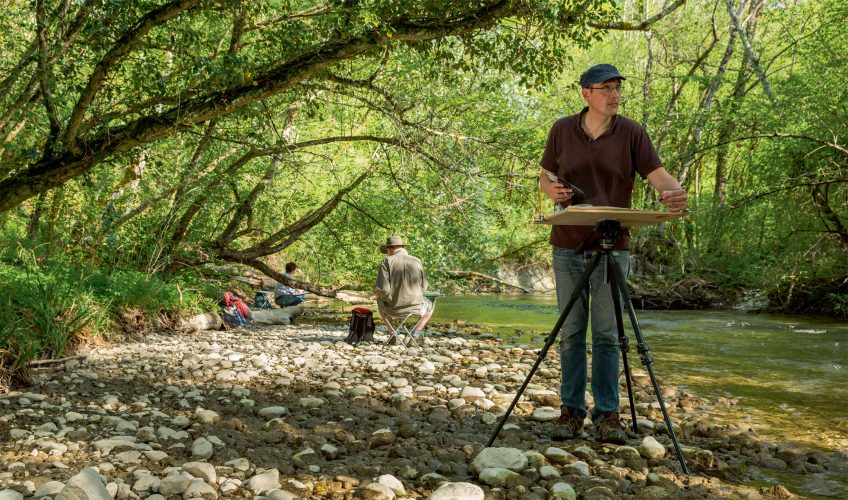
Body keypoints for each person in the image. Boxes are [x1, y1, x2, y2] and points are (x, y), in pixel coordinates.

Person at [539, 63, 688, 444]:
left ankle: (607, 415)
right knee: (572, 332)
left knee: (606, 334)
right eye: (606, 88)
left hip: (613, 246)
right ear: (586, 94)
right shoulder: (561, 129)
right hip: (568, 242)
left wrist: (674, 195)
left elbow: (658, 175)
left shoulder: (632, 132)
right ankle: (570, 411)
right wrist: (551, 191)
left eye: (618, 87)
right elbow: (546, 175)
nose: (615, 94)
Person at [374, 235, 435, 346]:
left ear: (390, 249)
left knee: (379, 301)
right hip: (416, 307)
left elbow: (383, 290)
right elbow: (424, 286)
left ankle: (393, 334)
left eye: (387, 251)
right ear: (402, 246)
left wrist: (377, 295)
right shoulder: (417, 261)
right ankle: (416, 335)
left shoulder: (386, 262)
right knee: (432, 304)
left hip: (392, 309)